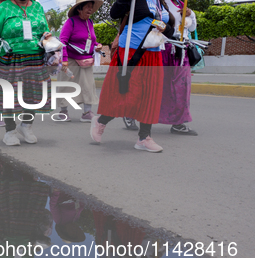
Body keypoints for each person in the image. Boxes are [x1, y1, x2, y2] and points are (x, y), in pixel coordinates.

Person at [91, 0, 176, 152]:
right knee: (127, 95)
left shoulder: (161, 3)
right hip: (130, 53)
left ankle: (144, 138)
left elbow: (170, 31)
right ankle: (101, 121)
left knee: (150, 96)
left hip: (153, 54)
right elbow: (114, 13)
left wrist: (165, 27)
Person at [0, 0, 53, 145]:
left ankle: (26, 126)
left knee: (34, 94)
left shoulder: (37, 6)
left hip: (36, 58)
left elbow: (45, 30)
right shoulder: (3, 7)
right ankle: (9, 131)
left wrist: (48, 37)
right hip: (11, 59)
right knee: (9, 96)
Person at [58, 0, 103, 122]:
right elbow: (63, 41)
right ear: (79, 9)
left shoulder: (90, 22)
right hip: (71, 59)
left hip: (85, 60)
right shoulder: (71, 22)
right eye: (87, 7)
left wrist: (97, 45)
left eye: (91, 7)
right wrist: (65, 60)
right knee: (67, 85)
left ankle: (87, 112)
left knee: (88, 86)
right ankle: (63, 112)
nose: (90, 9)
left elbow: (92, 41)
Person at [158, 0, 198, 135]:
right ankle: (133, 113)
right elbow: (157, 24)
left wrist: (191, 14)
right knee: (158, 86)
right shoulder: (161, 3)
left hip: (182, 51)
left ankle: (178, 123)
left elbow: (192, 28)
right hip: (166, 49)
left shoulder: (182, 5)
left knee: (182, 87)